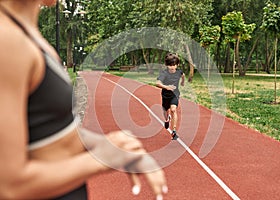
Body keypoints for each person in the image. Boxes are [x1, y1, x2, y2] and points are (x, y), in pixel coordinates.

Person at [0, 1, 167, 199]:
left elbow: (50, 129)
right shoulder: (7, 40)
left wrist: (111, 144)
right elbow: (9, 185)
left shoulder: (27, 34)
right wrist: (102, 158)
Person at [156, 53, 185, 140]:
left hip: (175, 95)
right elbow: (157, 83)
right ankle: (166, 120)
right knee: (165, 110)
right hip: (165, 95)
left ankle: (174, 130)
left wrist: (182, 82)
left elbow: (183, 75)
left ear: (177, 65)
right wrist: (166, 87)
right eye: (170, 65)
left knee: (173, 109)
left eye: (174, 65)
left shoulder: (179, 72)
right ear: (167, 65)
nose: (172, 67)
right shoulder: (164, 73)